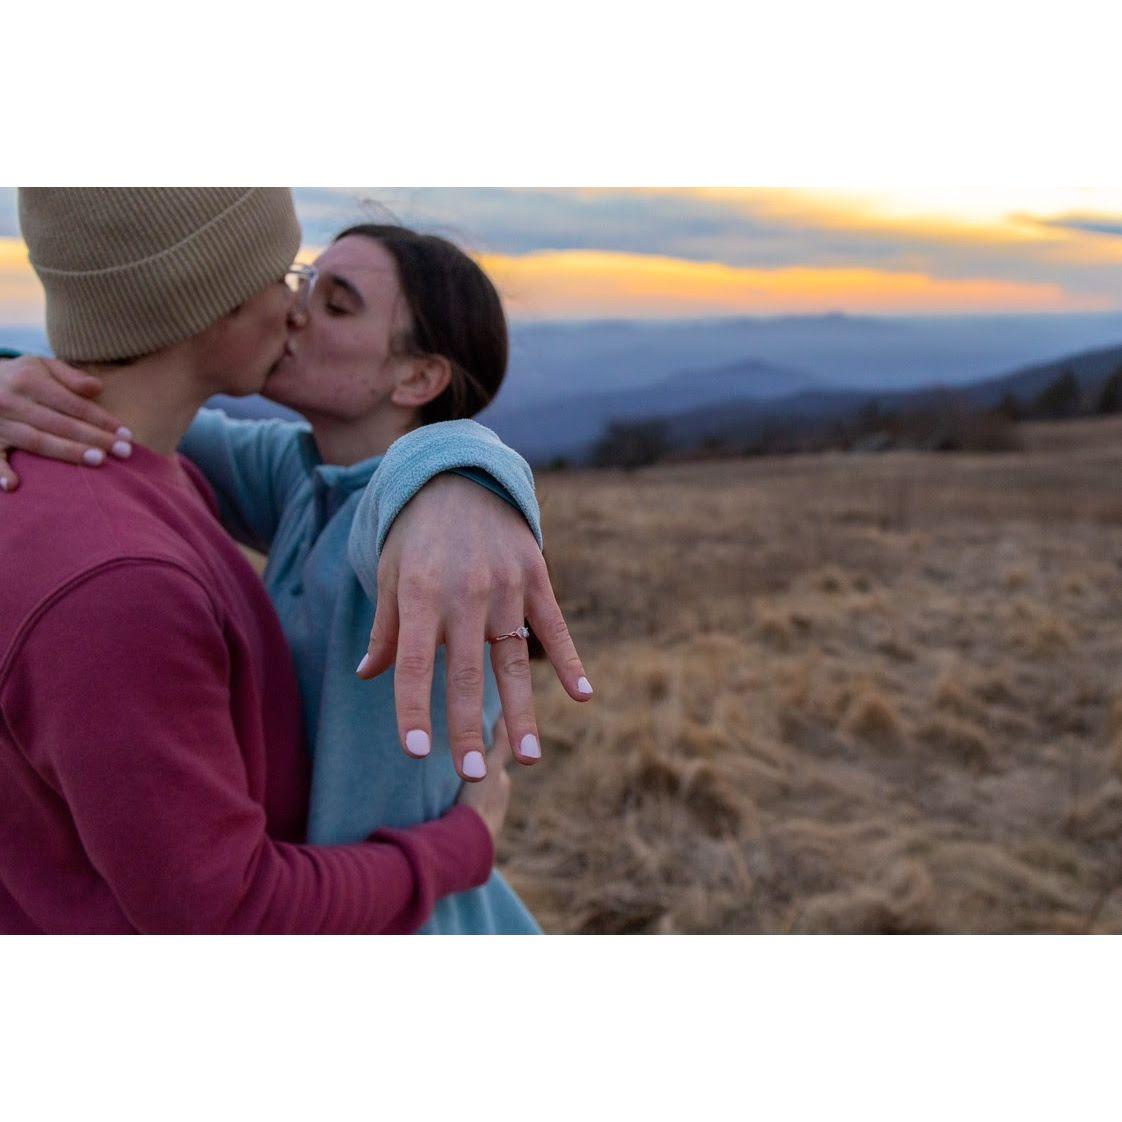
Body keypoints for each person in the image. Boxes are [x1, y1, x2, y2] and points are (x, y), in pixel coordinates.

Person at [0, 188, 585, 934]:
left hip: (411, 923)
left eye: (336, 304)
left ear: (415, 380)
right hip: (333, 908)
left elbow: (396, 504)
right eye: (298, 282)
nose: (297, 311)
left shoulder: (416, 531)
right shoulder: (298, 479)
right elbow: (121, 403)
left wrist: (464, 469)